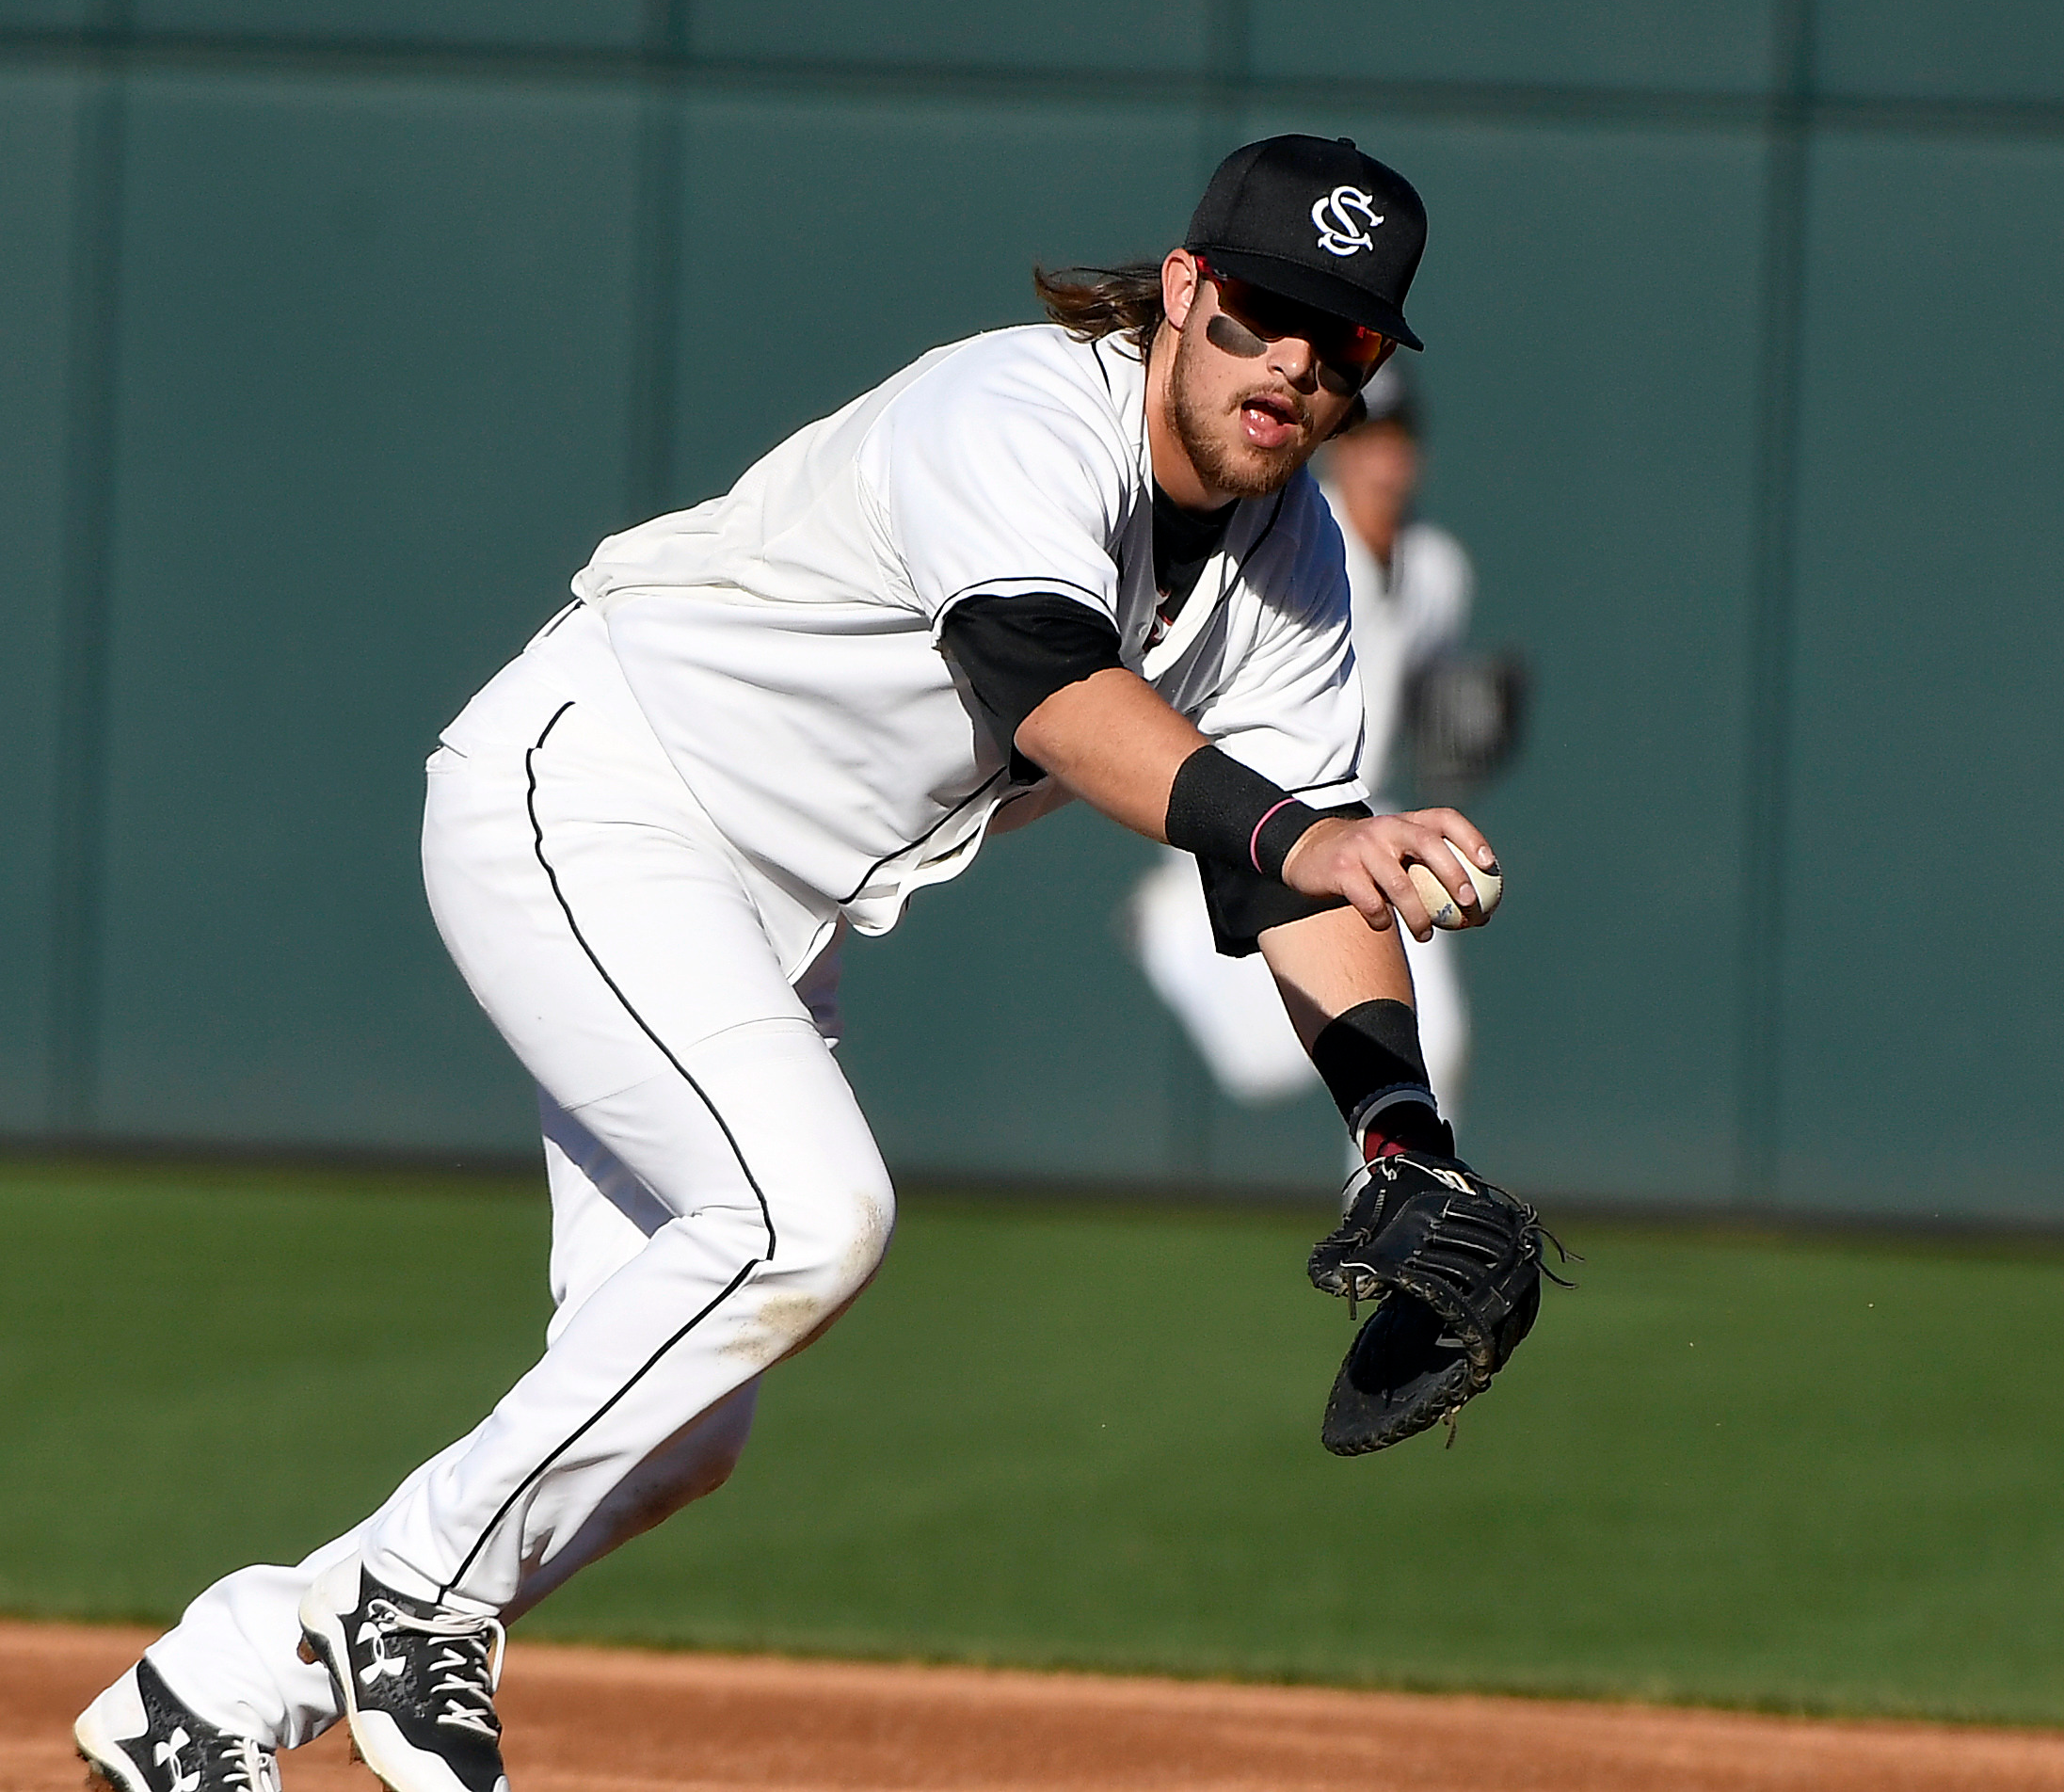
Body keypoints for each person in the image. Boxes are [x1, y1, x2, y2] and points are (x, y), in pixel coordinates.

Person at [74, 134, 1501, 1792]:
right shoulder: (1019, 412)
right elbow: (1051, 686)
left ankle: (221, 1686)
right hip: (600, 792)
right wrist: (1299, 838)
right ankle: (416, 1602)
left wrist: (1401, 1132)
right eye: (1263, 311)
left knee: (685, 1428)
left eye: (1340, 344)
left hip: (760, 908)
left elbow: (1307, 874)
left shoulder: (1296, 565)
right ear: (1182, 288)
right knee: (805, 1218)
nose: (1290, 365)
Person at [1128, 362, 1479, 1113]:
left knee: (1426, 1055)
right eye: (1368, 439)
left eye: (1397, 440)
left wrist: (1462, 733)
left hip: (1365, 812)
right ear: (1340, 448)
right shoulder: (1297, 542)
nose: (1383, 459)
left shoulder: (1439, 571)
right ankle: (1171, 923)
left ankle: (1405, 1220)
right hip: (1261, 812)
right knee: (1263, 1067)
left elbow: (1424, 706)